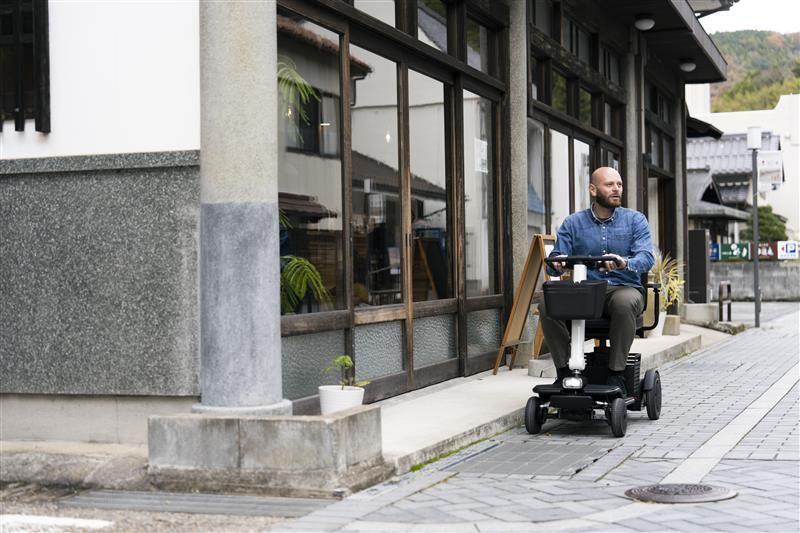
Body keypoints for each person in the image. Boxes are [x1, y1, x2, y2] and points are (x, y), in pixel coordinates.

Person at [538, 166, 654, 396]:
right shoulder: (573, 223)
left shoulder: (635, 220)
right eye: (609, 185)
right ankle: (564, 371)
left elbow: (646, 258)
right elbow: (555, 258)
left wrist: (623, 262)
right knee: (545, 303)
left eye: (619, 184)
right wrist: (557, 263)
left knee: (624, 302)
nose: (616, 189)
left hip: (622, 287)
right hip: (585, 291)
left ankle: (616, 373)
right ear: (593, 190)